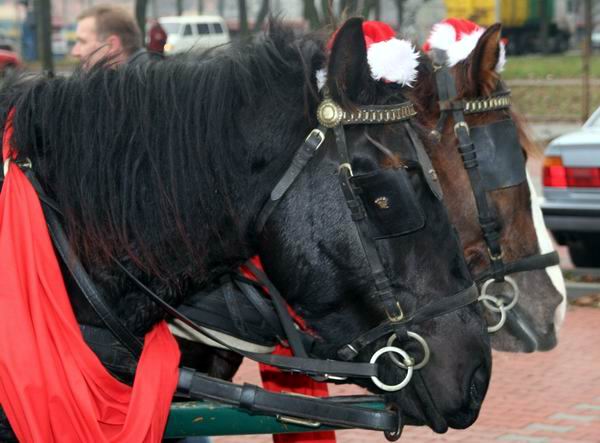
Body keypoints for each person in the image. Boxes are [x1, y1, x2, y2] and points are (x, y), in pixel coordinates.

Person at [71, 4, 145, 70]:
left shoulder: (147, 83)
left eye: (83, 42)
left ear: (111, 45)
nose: (75, 52)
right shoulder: (145, 78)